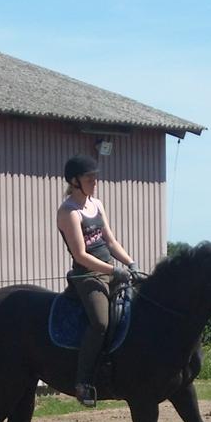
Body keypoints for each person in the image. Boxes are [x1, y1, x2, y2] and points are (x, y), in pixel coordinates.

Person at [56, 154, 135, 407]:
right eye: (90, 177)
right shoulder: (68, 212)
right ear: (75, 181)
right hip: (87, 276)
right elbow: (81, 254)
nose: (95, 180)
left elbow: (110, 242)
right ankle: (83, 382)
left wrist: (131, 264)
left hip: (111, 270)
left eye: (95, 176)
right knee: (100, 322)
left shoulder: (96, 204)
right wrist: (113, 272)